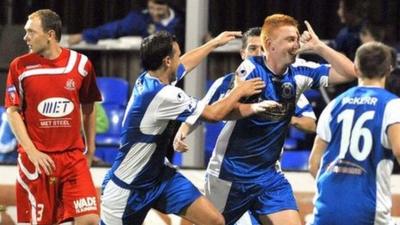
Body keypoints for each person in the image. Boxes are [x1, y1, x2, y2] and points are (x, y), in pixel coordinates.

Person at [175, 14, 356, 225]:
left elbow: (350, 72)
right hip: (230, 174)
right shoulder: (250, 69)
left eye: (297, 38)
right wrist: (254, 108)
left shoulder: (300, 72)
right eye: (290, 39)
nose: (296, 44)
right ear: (269, 44)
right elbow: (219, 113)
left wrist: (319, 47)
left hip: (269, 176)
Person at [100, 30, 276, 225]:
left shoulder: (151, 77)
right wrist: (239, 90)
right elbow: (213, 114)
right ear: (167, 61)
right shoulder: (163, 95)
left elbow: (185, 63)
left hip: (160, 177)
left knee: (214, 220)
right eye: (177, 55)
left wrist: (214, 44)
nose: (180, 59)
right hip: (127, 189)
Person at [5, 9, 101, 225]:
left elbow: (89, 106)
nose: (25, 37)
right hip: (37, 161)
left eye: (31, 31)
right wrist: (32, 151)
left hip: (72, 159)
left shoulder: (81, 64)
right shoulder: (19, 66)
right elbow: (12, 112)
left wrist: (91, 148)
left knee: (90, 220)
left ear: (50, 34)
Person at [308, 42, 400, 225]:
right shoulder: (392, 105)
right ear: (389, 69)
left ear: (356, 68)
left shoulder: (335, 104)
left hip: (326, 209)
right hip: (367, 211)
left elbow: (314, 163)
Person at [67, 0, 184, 46]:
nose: (155, 13)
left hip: (180, 70)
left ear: (167, 6)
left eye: (159, 10)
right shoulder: (141, 18)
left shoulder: (183, 20)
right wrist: (85, 35)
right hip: (152, 72)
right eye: (152, 8)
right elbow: (115, 28)